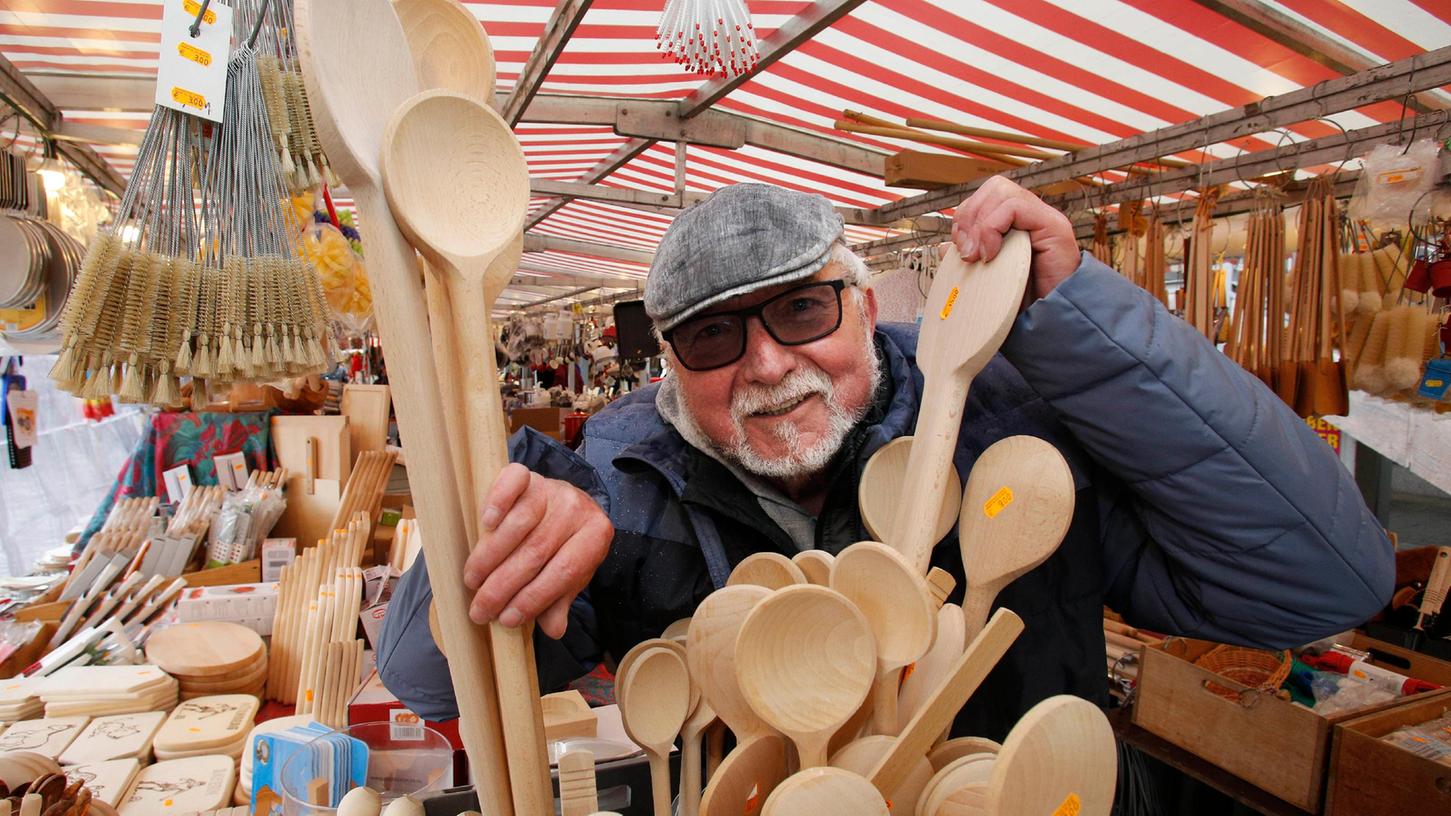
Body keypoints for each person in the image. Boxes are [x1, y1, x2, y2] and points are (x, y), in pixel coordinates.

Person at [378, 178, 1393, 740]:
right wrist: (503, 533)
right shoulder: (617, 479)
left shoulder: (1011, 433)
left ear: (864, 306)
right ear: (669, 368)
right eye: (712, 339)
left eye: (801, 309)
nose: (768, 364)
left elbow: (1316, 582)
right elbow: (433, 684)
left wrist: (1074, 323)